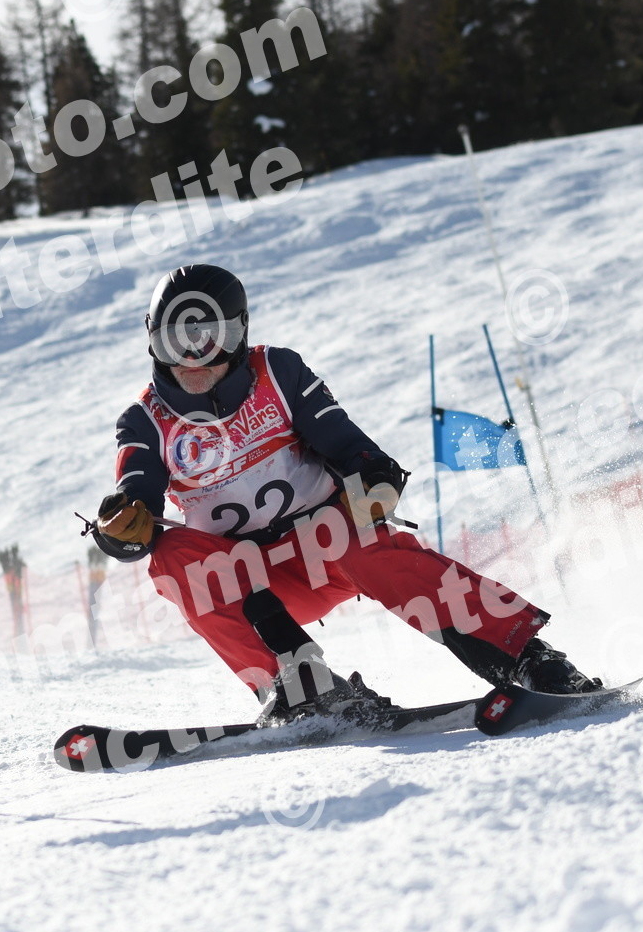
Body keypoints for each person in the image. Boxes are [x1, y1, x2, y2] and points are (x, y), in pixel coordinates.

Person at [90, 263, 599, 725]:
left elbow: (349, 446)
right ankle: (299, 690)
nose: (192, 358)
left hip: (327, 551)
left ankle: (526, 657)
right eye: (174, 341)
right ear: (151, 341)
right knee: (170, 554)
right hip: (250, 585)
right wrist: (123, 531)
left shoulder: (278, 373)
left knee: (347, 531)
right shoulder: (146, 420)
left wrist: (375, 480)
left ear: (240, 333)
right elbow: (136, 498)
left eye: (210, 338)